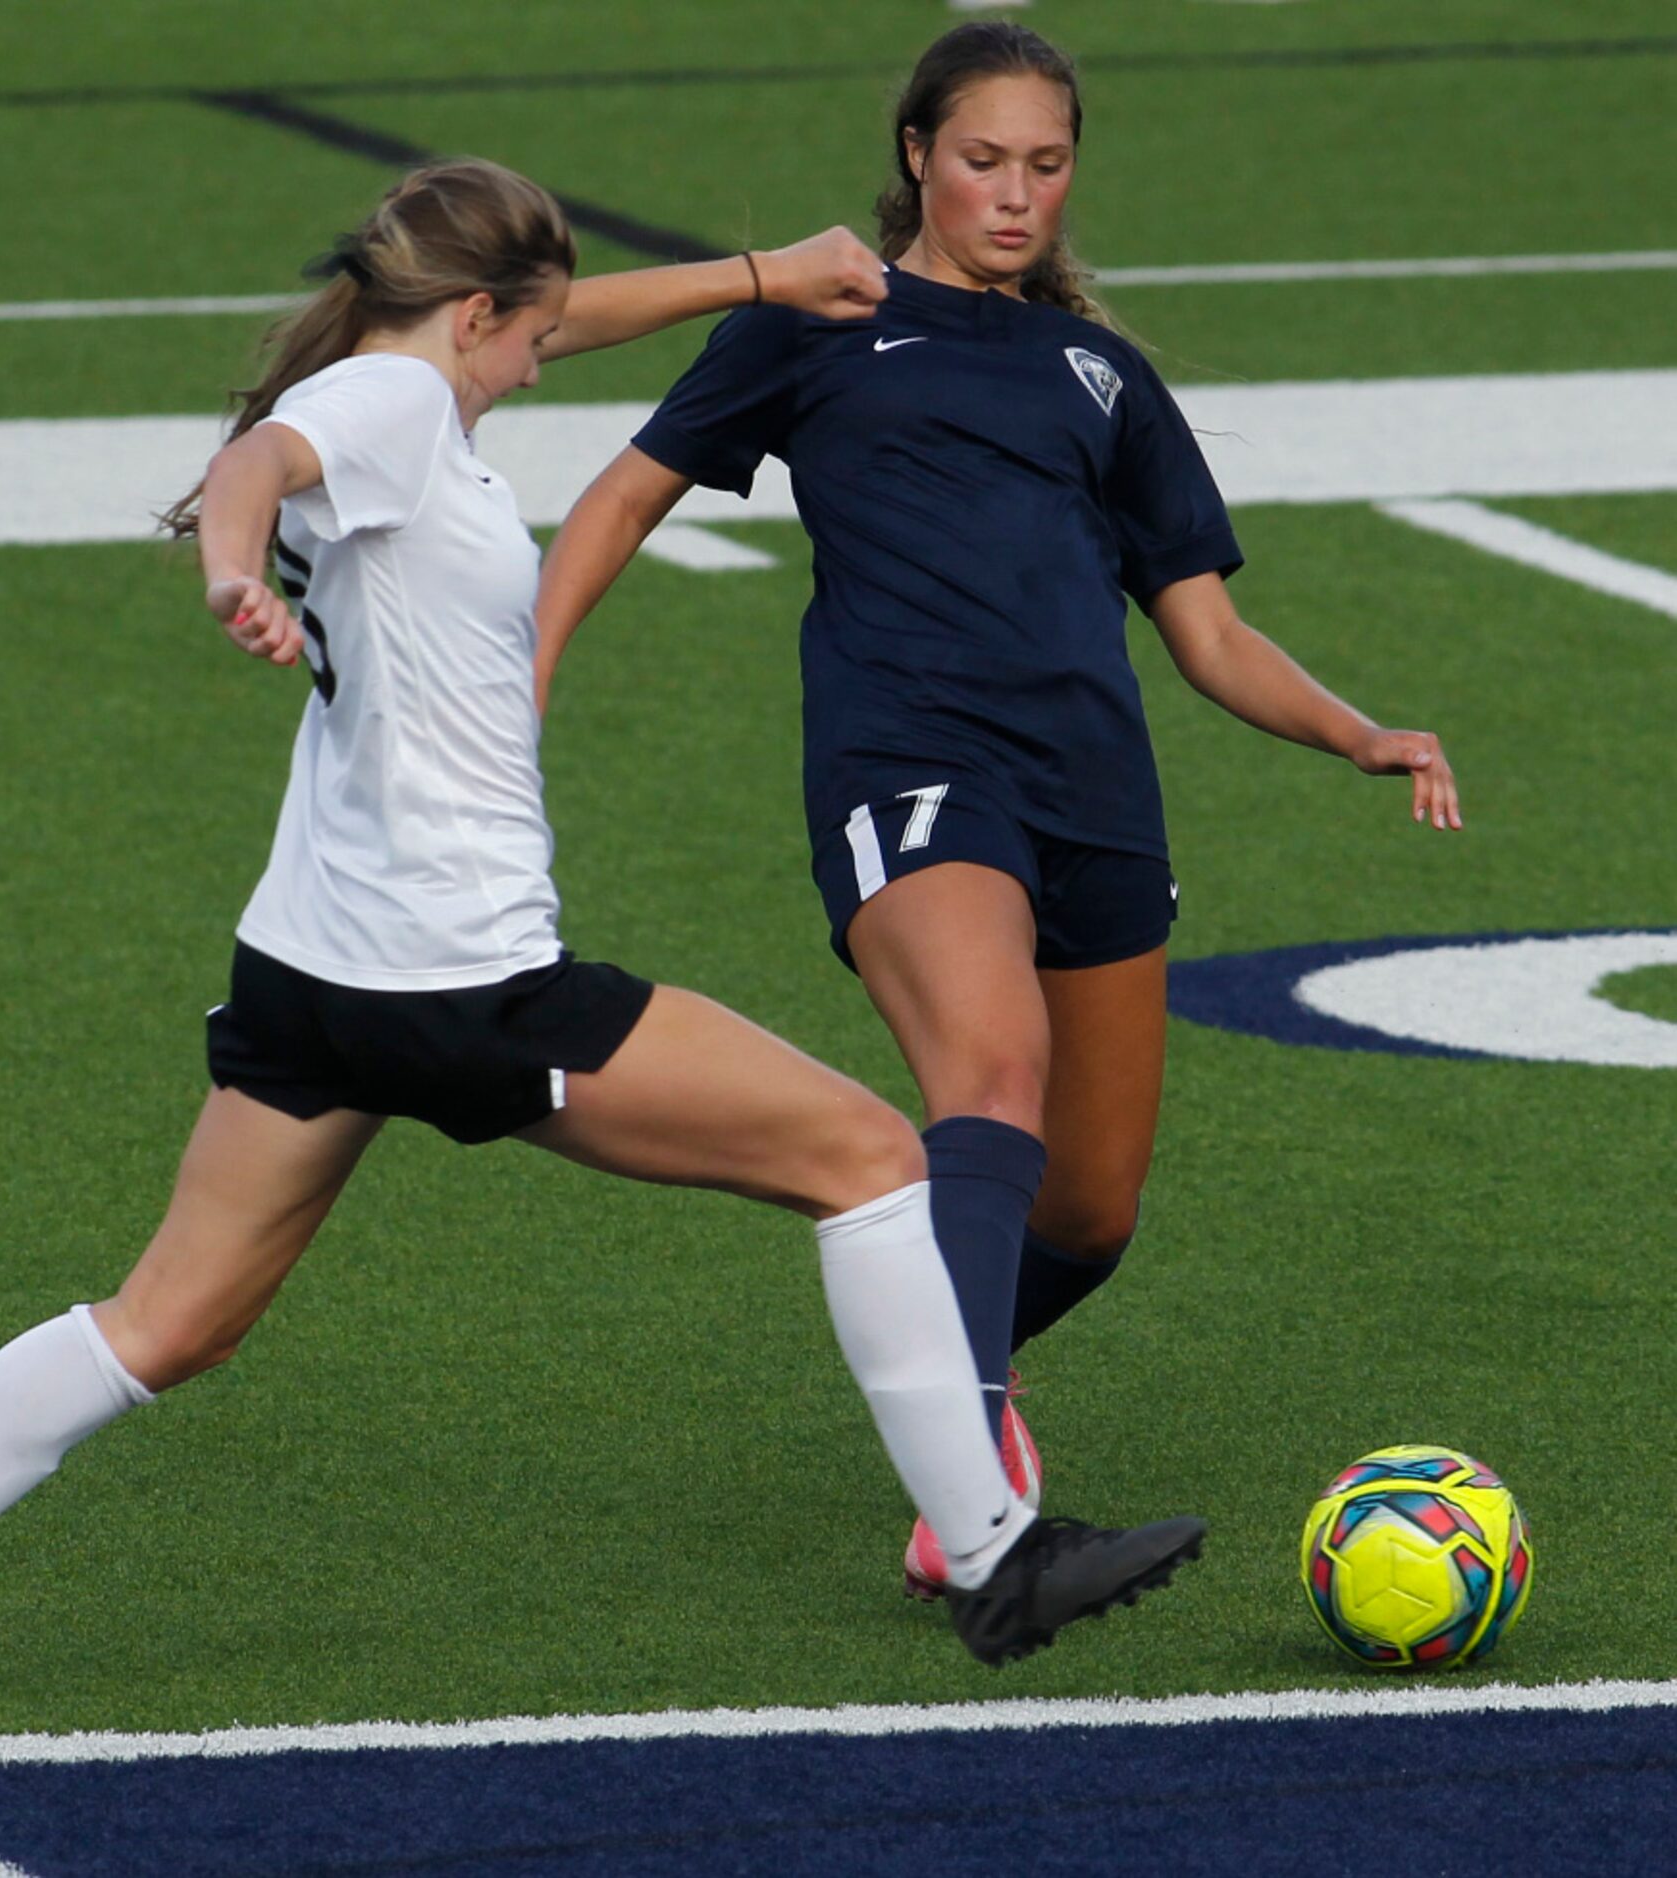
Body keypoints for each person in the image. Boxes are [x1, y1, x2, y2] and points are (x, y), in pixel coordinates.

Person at [0, 159, 1207, 1723]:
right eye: (525, 342)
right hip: (465, 983)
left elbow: (516, 342)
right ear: (473, 316)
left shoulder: (410, 377)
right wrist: (233, 569)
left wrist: (762, 275)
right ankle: (994, 1559)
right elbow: (263, 466)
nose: (537, 369)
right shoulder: (385, 409)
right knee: (870, 1157)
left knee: (164, 1320)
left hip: (310, 976)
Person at [534, 23, 1462, 1598]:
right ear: (915, 154)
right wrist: (523, 682)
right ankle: (980, 1507)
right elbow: (625, 496)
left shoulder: (1102, 372)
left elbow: (1210, 634)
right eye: (983, 161)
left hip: (1094, 794)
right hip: (910, 760)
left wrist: (1356, 731)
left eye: (1045, 166)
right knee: (993, 1072)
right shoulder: (820, 319)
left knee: (1092, 1205)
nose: (1015, 196)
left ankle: (954, 1368)